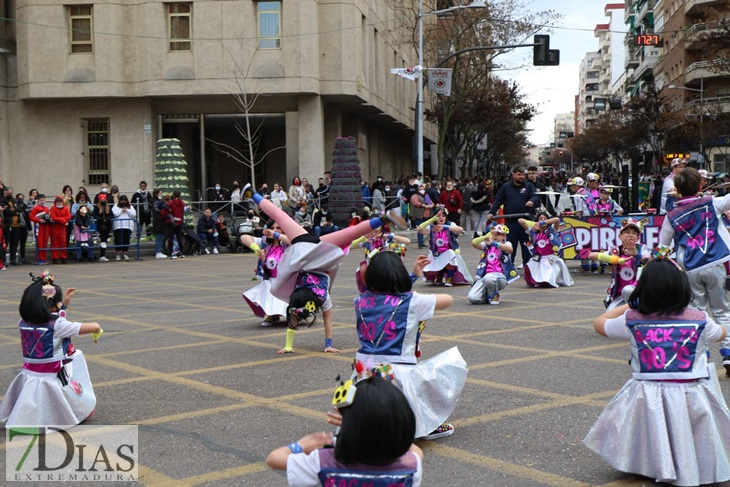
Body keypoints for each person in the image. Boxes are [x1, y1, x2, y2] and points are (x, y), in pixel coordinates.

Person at [585, 256, 730, 487]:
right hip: (690, 391)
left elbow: (599, 323)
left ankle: (653, 463)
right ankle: (691, 465)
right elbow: (721, 333)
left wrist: (629, 305)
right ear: (683, 286)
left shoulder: (632, 319)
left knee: (650, 430)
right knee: (690, 430)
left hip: (646, 392)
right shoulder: (700, 319)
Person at [248, 189, 407, 354]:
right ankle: (252, 193)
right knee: (280, 215)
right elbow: (306, 318)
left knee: (350, 233)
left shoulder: (323, 298)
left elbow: (326, 321)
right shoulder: (297, 295)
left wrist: (294, 346)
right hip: (303, 246)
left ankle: (383, 218)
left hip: (322, 254)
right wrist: (326, 345)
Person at [353, 251, 465, 440]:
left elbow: (388, 295)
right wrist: (412, 284)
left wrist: (413, 276)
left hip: (363, 370)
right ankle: (425, 425)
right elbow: (448, 300)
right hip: (398, 372)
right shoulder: (414, 301)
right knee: (452, 364)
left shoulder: (360, 301)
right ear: (399, 275)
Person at [266, 376, 423, 486]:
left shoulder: (323, 460)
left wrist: (300, 446)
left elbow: (274, 458)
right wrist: (362, 424)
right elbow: (415, 449)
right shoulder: (411, 465)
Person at [0, 271, 102, 428]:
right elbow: (93, 326)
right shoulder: (58, 326)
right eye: (59, 301)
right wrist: (97, 330)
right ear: (52, 305)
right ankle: (78, 411)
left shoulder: (24, 321)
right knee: (74, 367)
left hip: (30, 372)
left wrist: (64, 302)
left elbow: (56, 315)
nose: (61, 304)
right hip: (52, 373)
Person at [659, 167, 730, 375]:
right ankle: (728, 354)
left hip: (690, 268)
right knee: (723, 311)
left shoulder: (671, 215)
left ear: (677, 189)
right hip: (717, 263)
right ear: (700, 185)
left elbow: (663, 246)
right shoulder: (712, 203)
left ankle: (701, 355)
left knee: (696, 313)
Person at [587, 219, 650, 308]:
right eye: (627, 232)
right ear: (620, 236)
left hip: (638, 294)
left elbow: (649, 260)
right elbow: (591, 255)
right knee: (609, 317)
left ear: (638, 238)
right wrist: (615, 259)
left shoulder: (642, 248)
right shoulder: (615, 250)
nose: (631, 235)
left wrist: (636, 254)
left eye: (634, 233)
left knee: (629, 292)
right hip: (618, 295)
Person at [487, 166, 539, 269]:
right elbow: (498, 200)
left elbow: (536, 196)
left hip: (525, 223)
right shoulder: (506, 187)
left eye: (523, 175)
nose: (521, 177)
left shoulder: (529, 186)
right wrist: (492, 212)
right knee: (510, 246)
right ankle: (508, 267)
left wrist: (532, 201)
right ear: (513, 175)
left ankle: (528, 268)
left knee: (526, 246)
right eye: (519, 175)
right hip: (510, 222)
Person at [241, 223, 290, 326]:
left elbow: (295, 241)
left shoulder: (287, 242)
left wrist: (276, 235)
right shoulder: (264, 242)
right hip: (270, 278)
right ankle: (271, 315)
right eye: (272, 228)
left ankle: (294, 314)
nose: (274, 230)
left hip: (288, 280)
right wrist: (255, 248)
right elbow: (244, 237)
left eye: (278, 228)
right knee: (268, 290)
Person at [418, 209, 473, 286]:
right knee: (427, 266)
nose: (441, 218)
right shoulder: (432, 227)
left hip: (449, 252)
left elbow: (460, 230)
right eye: (439, 216)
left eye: (443, 216)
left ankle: (450, 278)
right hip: (436, 254)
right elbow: (420, 229)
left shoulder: (450, 225)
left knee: (450, 255)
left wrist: (445, 227)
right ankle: (439, 275)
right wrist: (432, 219)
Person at [518, 214, 573, 288]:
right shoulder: (533, 232)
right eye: (540, 218)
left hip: (550, 258)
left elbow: (557, 219)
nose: (543, 219)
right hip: (538, 258)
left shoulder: (552, 230)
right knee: (529, 266)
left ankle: (547, 281)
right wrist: (534, 224)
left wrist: (544, 222)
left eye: (545, 218)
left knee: (548, 274)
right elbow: (520, 221)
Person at [468, 224, 519, 304]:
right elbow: (474, 243)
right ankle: (488, 296)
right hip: (485, 277)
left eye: (498, 234)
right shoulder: (487, 245)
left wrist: (495, 244)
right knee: (473, 298)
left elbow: (510, 250)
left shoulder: (506, 243)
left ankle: (494, 295)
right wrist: (485, 237)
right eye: (493, 234)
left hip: (500, 277)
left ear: (504, 236)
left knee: (489, 278)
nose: (495, 236)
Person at [112, 194, 136, 261]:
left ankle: (125, 253)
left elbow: (134, 214)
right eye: (122, 200)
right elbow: (115, 214)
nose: (124, 202)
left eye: (125, 200)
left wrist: (127, 210)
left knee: (126, 240)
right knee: (118, 240)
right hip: (118, 226)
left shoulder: (130, 206)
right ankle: (118, 254)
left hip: (128, 226)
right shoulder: (116, 206)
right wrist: (121, 210)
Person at [409, 184, 434, 249]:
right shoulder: (415, 196)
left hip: (426, 215)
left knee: (426, 228)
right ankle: (420, 243)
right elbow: (415, 203)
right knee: (420, 229)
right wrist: (424, 205)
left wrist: (431, 205)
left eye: (423, 189)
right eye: (420, 189)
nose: (422, 190)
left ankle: (422, 242)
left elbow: (431, 203)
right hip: (418, 215)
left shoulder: (426, 196)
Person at [49, 195, 71, 264]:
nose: (59, 203)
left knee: (63, 243)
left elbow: (69, 216)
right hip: (54, 227)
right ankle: (55, 258)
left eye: (60, 202)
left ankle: (63, 258)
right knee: (55, 243)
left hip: (62, 228)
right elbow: (53, 216)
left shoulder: (65, 208)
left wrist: (61, 219)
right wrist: (62, 219)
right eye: (58, 202)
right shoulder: (53, 208)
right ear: (55, 202)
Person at [93, 193, 114, 262]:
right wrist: (102, 220)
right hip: (100, 226)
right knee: (103, 238)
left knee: (104, 240)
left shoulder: (108, 208)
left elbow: (111, 215)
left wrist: (106, 219)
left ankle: (103, 255)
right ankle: (102, 255)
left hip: (107, 225)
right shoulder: (97, 208)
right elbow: (95, 216)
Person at [14, 192, 30, 264]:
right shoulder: (15, 207)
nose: (21, 199)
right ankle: (14, 258)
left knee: (23, 244)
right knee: (16, 243)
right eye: (19, 198)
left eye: (22, 198)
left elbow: (27, 217)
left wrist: (29, 227)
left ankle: (23, 258)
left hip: (24, 227)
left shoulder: (25, 206)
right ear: (17, 199)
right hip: (17, 227)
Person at [152, 189, 168, 259]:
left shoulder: (159, 201)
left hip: (161, 221)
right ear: (156, 194)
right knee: (159, 237)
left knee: (161, 236)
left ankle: (159, 251)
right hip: (158, 221)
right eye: (160, 193)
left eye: (161, 193)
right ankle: (158, 252)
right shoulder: (155, 202)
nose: (161, 194)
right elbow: (158, 211)